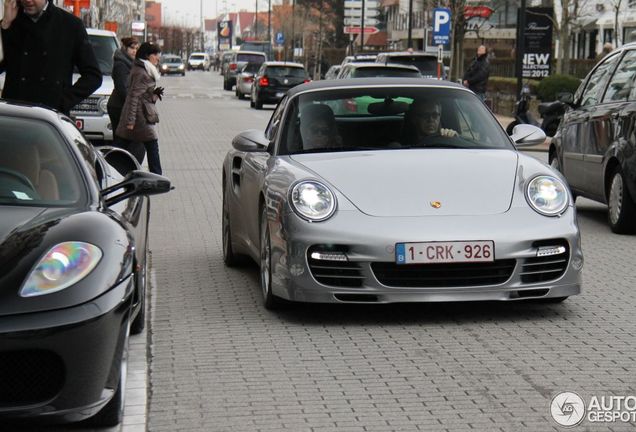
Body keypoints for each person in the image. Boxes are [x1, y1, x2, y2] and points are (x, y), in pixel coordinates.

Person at [0, 0, 102, 115]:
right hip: (14, 115)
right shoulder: (10, 22)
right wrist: (5, 24)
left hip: (49, 119)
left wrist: (61, 103)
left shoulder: (70, 25)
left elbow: (93, 76)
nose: (27, 0)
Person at [115, 42, 165, 175]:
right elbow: (133, 97)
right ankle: (157, 176)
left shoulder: (144, 69)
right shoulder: (142, 73)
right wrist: (130, 121)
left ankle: (111, 170)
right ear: (147, 56)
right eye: (155, 55)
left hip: (139, 116)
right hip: (139, 118)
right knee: (152, 145)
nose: (158, 57)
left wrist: (154, 95)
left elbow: (143, 96)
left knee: (121, 145)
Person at [107, 37, 145, 162]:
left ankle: (119, 165)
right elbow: (122, 88)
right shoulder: (121, 64)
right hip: (119, 106)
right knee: (124, 140)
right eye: (132, 48)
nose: (134, 51)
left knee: (123, 140)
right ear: (125, 48)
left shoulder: (130, 63)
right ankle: (117, 165)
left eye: (136, 48)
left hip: (124, 106)